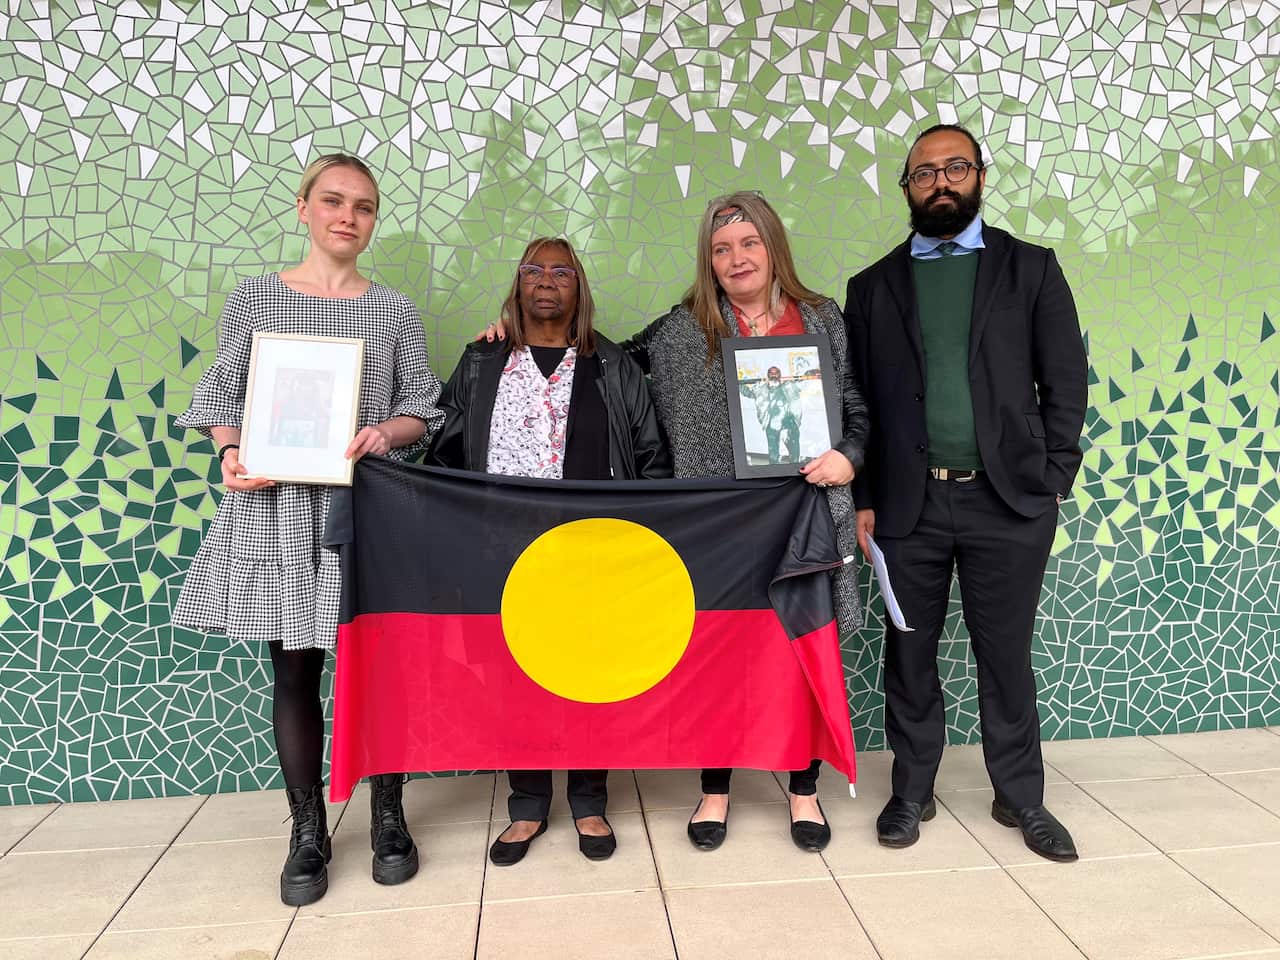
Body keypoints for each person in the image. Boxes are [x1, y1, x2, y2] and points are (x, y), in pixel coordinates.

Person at [172, 154, 444, 904]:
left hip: (368, 507)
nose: (346, 217)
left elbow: (424, 405)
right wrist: (230, 450)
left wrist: (385, 434)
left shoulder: (391, 312)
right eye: (332, 201)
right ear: (303, 208)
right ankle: (307, 830)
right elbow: (221, 395)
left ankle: (389, 814)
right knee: (294, 670)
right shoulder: (256, 298)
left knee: (377, 665)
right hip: (277, 507)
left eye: (362, 206)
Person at [843, 123, 1088, 862]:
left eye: (955, 168)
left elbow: (1065, 381)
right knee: (908, 654)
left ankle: (1021, 795)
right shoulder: (873, 286)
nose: (941, 182)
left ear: (980, 175)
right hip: (905, 508)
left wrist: (1052, 479)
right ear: (907, 187)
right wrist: (863, 496)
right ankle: (912, 791)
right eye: (925, 173)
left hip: (1009, 503)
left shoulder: (1032, 270)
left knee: (1005, 654)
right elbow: (859, 402)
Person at [618, 192, 868, 853]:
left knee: (801, 652)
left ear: (772, 247)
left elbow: (856, 408)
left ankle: (802, 787)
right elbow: (606, 365)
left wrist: (849, 455)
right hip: (720, 526)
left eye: (748, 243)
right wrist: (519, 333)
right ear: (709, 260)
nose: (736, 258)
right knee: (719, 656)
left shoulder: (821, 318)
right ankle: (716, 787)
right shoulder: (680, 330)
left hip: (805, 515)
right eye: (721, 248)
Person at [430, 236, 670, 866]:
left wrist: (641, 547)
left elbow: (651, 461)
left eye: (561, 270)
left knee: (587, 678)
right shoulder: (482, 363)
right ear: (517, 284)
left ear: (579, 287)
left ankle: (589, 801)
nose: (546, 279)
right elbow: (444, 447)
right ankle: (528, 807)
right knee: (514, 681)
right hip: (501, 552)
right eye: (533, 268)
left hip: (591, 555)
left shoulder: (613, 366)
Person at [740, 364, 802, 462]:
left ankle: (796, 473)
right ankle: (774, 473)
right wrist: (739, 383)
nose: (774, 375)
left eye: (776, 373)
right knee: (773, 455)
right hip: (771, 425)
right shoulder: (761, 389)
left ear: (780, 375)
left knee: (794, 454)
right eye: (771, 373)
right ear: (768, 375)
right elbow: (748, 393)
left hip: (789, 424)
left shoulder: (789, 386)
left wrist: (810, 374)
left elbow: (803, 384)